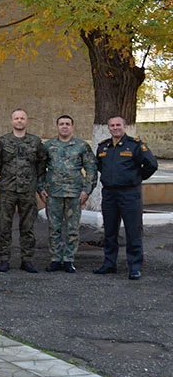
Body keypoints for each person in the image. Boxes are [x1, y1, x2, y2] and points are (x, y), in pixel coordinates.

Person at [93, 115, 158, 280]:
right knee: (110, 231)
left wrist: (136, 178)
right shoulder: (103, 147)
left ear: (125, 126)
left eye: (118, 125)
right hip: (109, 194)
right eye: (112, 125)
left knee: (133, 231)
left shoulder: (135, 145)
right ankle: (109, 264)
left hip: (129, 194)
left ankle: (135, 267)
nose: (115, 128)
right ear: (109, 128)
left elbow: (152, 165)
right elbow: (101, 167)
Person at [39, 115, 98, 273]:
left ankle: (69, 259)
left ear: (72, 126)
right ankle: (56, 259)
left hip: (75, 194)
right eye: (61, 124)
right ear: (57, 126)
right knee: (54, 228)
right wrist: (41, 188)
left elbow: (91, 169)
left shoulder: (81, 146)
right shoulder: (49, 146)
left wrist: (87, 190)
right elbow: (40, 169)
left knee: (72, 229)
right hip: (53, 194)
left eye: (67, 124)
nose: (64, 127)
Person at [0, 108, 47, 273]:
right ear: (12, 121)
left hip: (27, 191)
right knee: (4, 226)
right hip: (7, 191)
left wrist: (35, 184)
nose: (19, 121)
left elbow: (41, 164)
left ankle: (27, 259)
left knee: (28, 227)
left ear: (26, 121)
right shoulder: (3, 141)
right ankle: (4, 259)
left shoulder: (35, 142)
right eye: (16, 118)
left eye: (22, 118)